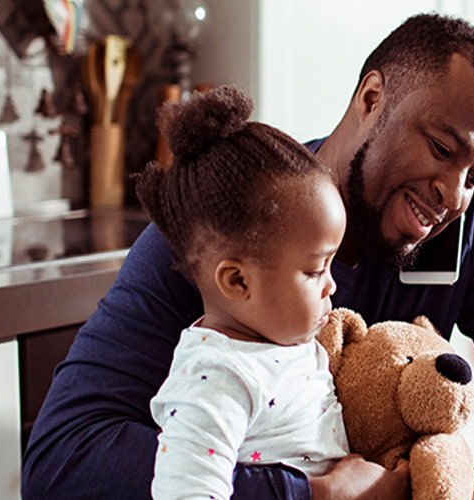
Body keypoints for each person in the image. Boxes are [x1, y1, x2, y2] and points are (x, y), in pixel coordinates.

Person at [22, 13, 474, 499]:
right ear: (372, 96)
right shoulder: (229, 225)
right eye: (442, 148)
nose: (454, 193)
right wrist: (307, 492)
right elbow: (62, 462)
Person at [136, 87, 351, 498]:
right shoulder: (216, 378)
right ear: (238, 281)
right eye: (314, 269)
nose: (332, 284)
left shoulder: (285, 341)